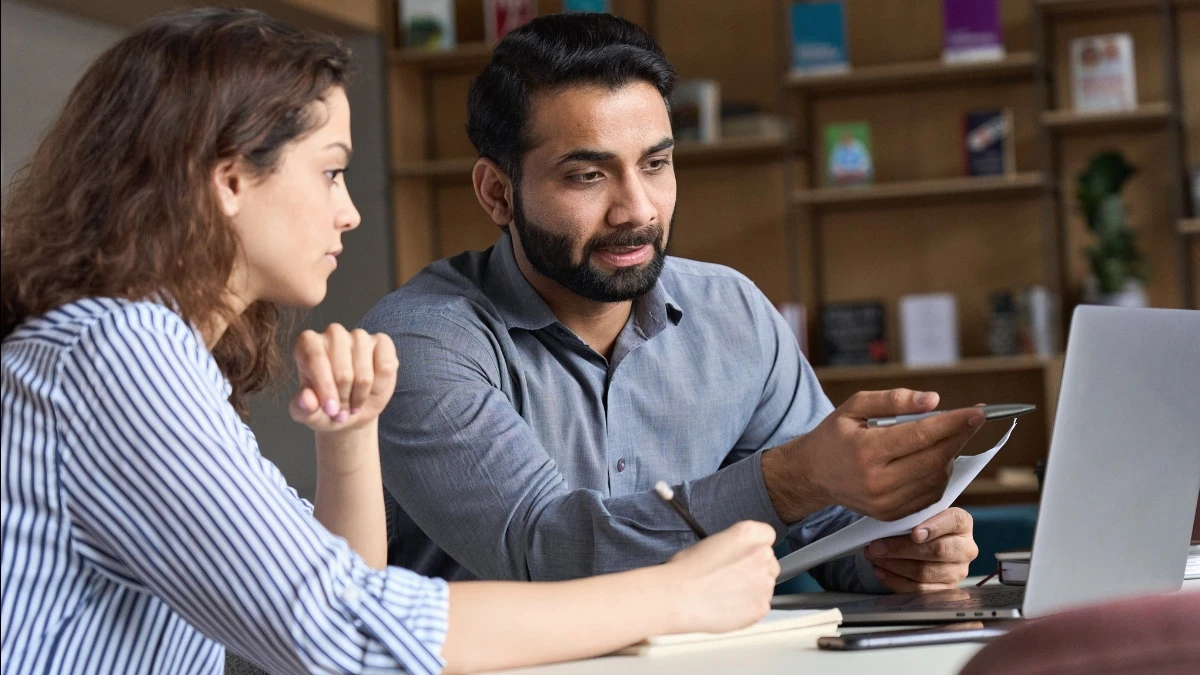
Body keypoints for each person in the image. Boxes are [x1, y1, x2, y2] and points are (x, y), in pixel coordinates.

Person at [0, 9, 781, 675]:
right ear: (230, 179)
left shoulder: (141, 353)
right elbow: (342, 630)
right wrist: (672, 592)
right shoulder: (117, 349)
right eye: (330, 172)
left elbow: (336, 594)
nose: (350, 213)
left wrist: (348, 443)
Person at [364, 12, 985, 594]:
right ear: (498, 193)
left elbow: (823, 531)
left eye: (655, 163)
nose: (638, 210)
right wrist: (792, 478)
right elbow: (546, 553)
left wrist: (902, 551)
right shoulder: (420, 342)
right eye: (588, 175)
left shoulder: (733, 313)